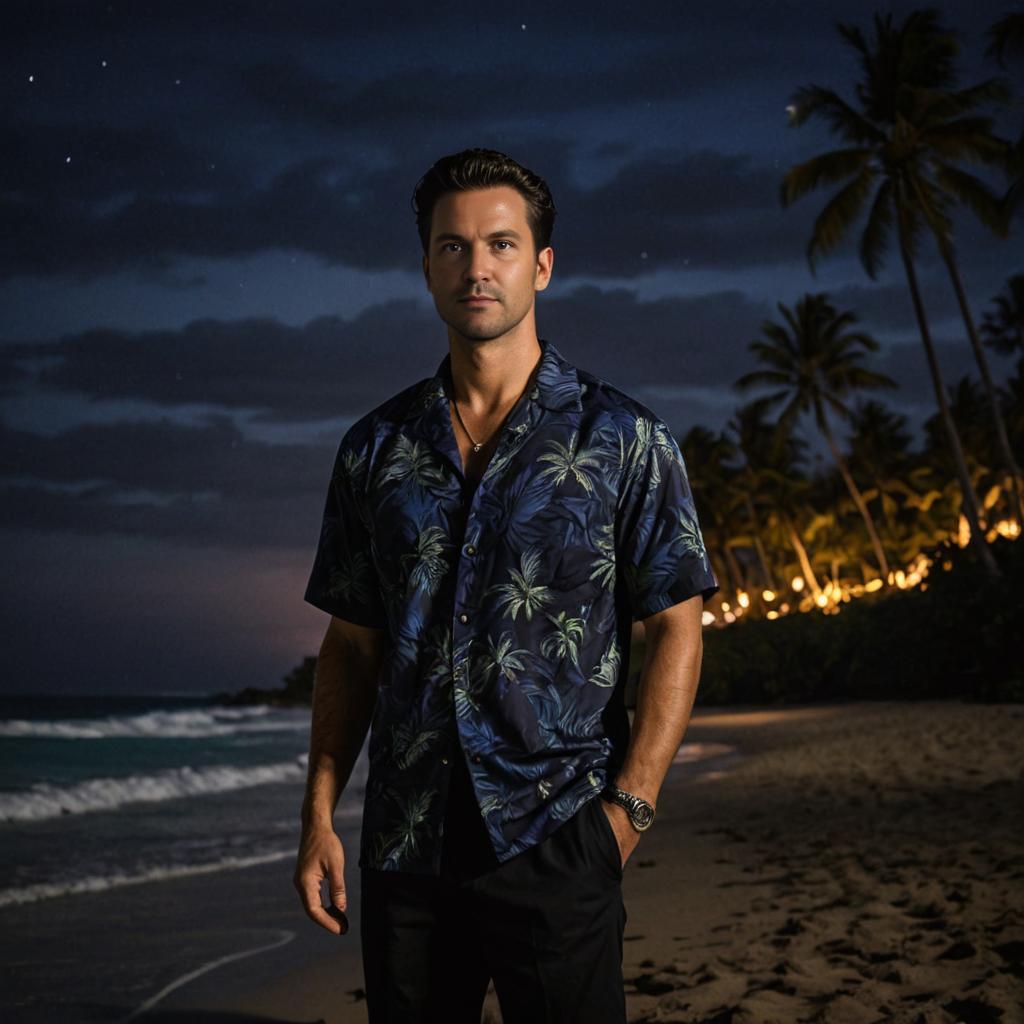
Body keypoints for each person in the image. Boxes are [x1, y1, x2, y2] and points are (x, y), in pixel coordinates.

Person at [294, 147, 719, 1023]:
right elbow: (350, 646)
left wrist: (628, 813)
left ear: (543, 265)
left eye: (500, 244)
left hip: (558, 834)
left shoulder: (624, 439)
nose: (476, 267)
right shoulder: (374, 449)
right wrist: (318, 815)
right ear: (426, 266)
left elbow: (677, 626)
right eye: (452, 247)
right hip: (407, 847)